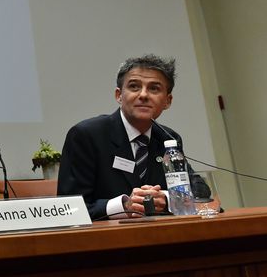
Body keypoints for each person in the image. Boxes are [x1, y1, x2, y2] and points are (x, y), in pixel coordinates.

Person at [57, 54, 206, 220]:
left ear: (167, 101)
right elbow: (69, 208)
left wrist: (166, 198)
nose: (143, 95)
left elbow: (200, 190)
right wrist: (124, 206)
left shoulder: (167, 138)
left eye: (154, 88)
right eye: (134, 87)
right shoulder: (86, 135)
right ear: (119, 95)